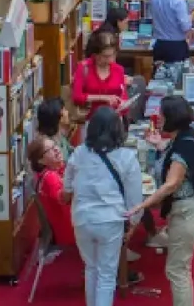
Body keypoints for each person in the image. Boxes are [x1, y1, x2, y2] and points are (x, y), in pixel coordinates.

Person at [127, 97, 194, 305]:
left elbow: (171, 183)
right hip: (188, 210)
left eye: (161, 114)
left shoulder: (182, 148)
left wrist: (143, 204)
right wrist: (158, 144)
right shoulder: (185, 137)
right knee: (179, 268)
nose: (158, 118)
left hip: (186, 213)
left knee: (178, 270)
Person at [62, 107, 144, 306]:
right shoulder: (126, 157)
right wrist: (133, 223)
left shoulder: (79, 153)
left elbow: (67, 187)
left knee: (91, 268)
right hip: (111, 219)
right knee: (107, 275)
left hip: (82, 218)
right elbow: (135, 198)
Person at [28, 136, 75, 247]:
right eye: (50, 150)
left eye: (55, 145)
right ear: (40, 160)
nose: (56, 149)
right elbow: (64, 198)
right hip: (71, 237)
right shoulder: (50, 178)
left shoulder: (57, 170)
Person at [71, 32, 129, 119]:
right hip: (92, 120)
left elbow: (123, 95)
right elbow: (77, 97)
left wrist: (123, 103)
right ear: (96, 55)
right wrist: (103, 98)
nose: (110, 59)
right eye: (105, 56)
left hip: (114, 120)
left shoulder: (118, 70)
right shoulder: (84, 68)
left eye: (112, 55)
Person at [149, 0, 194, 65]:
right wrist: (192, 15)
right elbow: (185, 26)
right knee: (177, 76)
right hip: (176, 46)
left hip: (159, 44)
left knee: (159, 76)